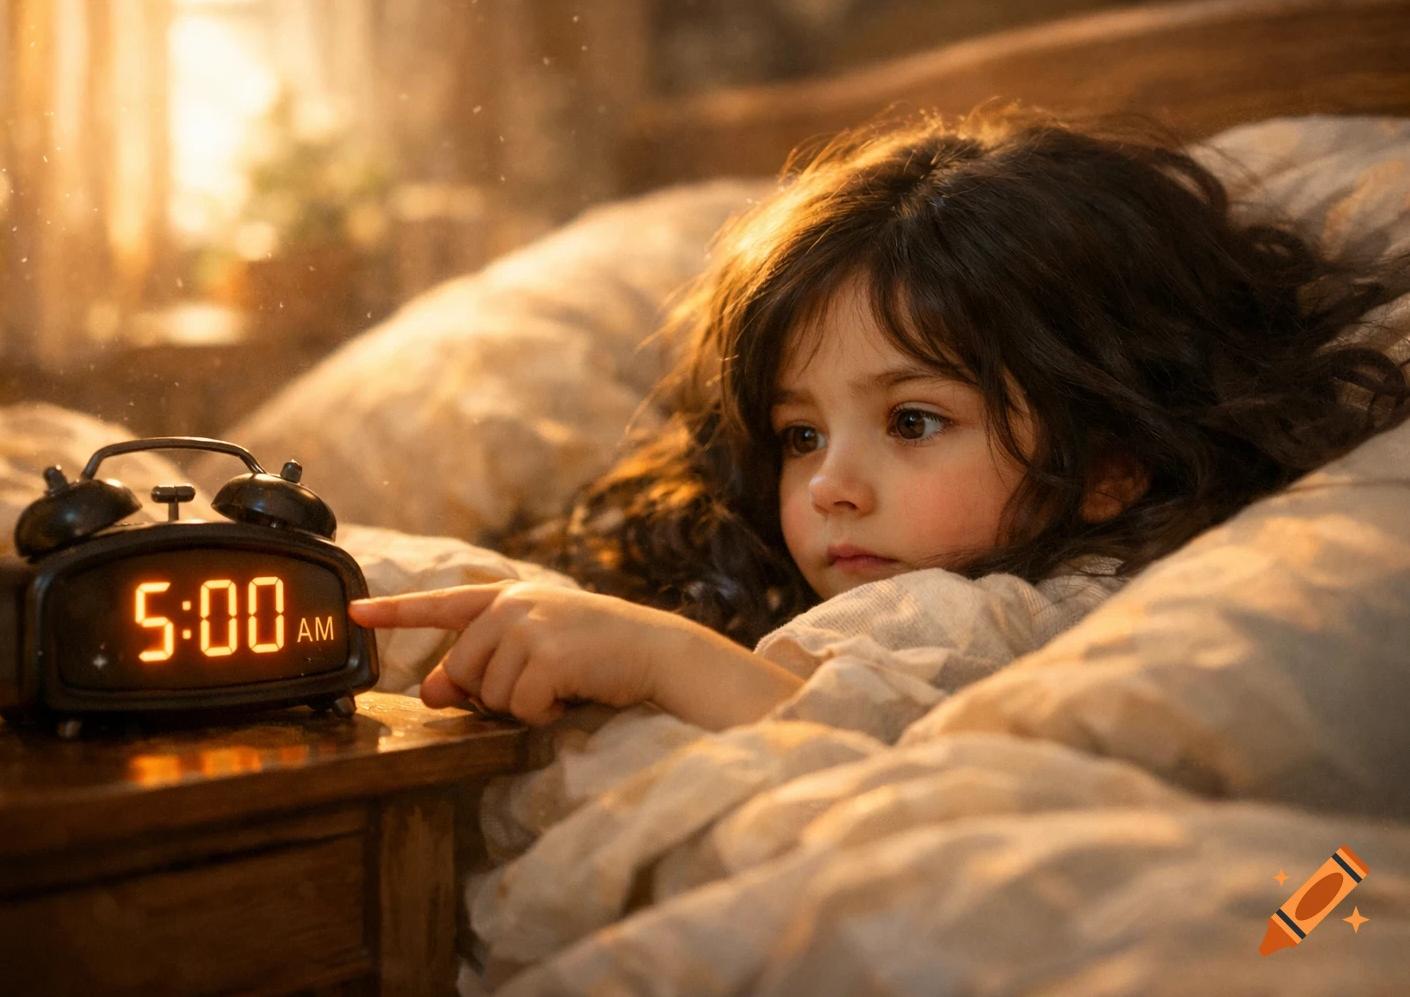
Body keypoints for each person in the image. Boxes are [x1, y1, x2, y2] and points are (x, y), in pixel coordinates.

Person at [349, 107, 1410, 731]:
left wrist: (661, 659)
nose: (829, 485)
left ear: (1109, 465)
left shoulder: (1061, 608)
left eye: (911, 421)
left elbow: (840, 728)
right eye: (800, 433)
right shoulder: (828, 576)